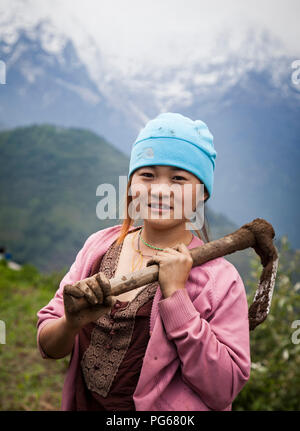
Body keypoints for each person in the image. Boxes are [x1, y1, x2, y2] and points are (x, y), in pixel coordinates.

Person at [37, 112, 251, 411]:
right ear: (131, 183)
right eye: (147, 175)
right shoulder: (98, 248)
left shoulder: (218, 280)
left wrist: (177, 297)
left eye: (179, 178)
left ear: (202, 192)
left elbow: (224, 389)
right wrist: (70, 323)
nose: (160, 190)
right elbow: (48, 347)